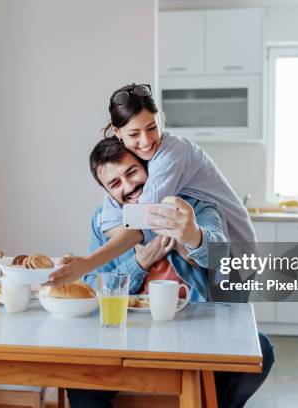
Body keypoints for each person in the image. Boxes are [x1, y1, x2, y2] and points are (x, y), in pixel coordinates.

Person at [66, 138, 274, 408]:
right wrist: (138, 265)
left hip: (195, 333)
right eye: (115, 183)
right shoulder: (104, 222)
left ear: (150, 170)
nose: (128, 187)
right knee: (79, 383)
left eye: (132, 172)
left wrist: (192, 237)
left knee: (262, 350)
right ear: (107, 192)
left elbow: (224, 261)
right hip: (130, 334)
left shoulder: (194, 206)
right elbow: (93, 285)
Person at [49, 83, 256, 286]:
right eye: (134, 134)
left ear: (160, 120)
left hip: (237, 257)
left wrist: (87, 263)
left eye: (151, 128)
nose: (146, 141)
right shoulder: (129, 167)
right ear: (118, 133)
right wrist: (141, 254)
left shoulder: (172, 154)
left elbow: (143, 222)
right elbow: (113, 222)